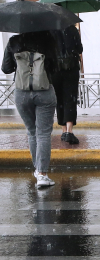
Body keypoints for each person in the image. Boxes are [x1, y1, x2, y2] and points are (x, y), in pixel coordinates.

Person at [2, 30, 60, 188]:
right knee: (43, 134)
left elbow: (6, 68)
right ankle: (42, 174)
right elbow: (56, 67)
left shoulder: (14, 42)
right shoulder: (48, 39)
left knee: (31, 131)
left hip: (22, 93)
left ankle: (38, 170)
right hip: (45, 91)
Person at [51, 24, 82, 145]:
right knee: (70, 98)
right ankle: (69, 130)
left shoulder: (50, 29)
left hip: (55, 70)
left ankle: (63, 130)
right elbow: (80, 49)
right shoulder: (72, 29)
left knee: (59, 99)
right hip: (71, 68)